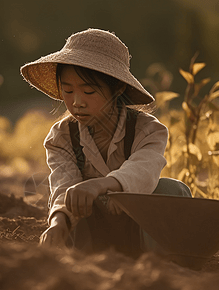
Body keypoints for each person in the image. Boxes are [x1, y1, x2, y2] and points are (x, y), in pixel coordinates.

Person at [20, 28, 191, 257]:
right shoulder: (62, 136)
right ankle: (82, 262)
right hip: (93, 234)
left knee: (172, 189)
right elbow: (62, 183)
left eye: (89, 91)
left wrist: (103, 185)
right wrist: (58, 223)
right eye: (68, 91)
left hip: (141, 231)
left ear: (118, 88)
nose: (77, 102)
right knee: (71, 198)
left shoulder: (148, 130)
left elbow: (144, 168)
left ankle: (162, 263)